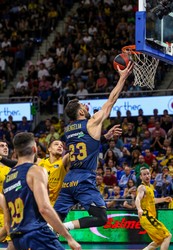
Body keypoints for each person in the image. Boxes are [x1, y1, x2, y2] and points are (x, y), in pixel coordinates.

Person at [54, 62, 133, 231]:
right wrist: (122, 78)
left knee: (53, 222)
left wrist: (104, 137)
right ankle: (65, 227)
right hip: (84, 178)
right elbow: (111, 101)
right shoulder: (92, 122)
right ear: (81, 113)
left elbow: (86, 143)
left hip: (69, 181)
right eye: (83, 106)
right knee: (100, 217)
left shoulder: (68, 130)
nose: (86, 107)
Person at [3, 132, 82, 250]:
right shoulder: (36, 170)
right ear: (35, 149)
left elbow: (8, 219)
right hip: (38, 235)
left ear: (16, 151)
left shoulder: (8, 179)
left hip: (19, 240)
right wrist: (68, 237)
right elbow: (44, 208)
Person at [135, 167, 172, 250]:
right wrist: (139, 209)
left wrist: (164, 199)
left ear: (150, 175)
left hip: (150, 217)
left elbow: (152, 201)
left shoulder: (150, 187)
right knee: (168, 235)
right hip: (147, 216)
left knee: (159, 240)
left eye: (148, 174)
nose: (147, 176)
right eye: (144, 174)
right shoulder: (142, 187)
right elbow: (138, 198)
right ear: (141, 177)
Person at [0, 141, 16, 250]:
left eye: (6, 146)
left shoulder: (13, 169)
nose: (5, 147)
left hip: (10, 211)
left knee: (13, 243)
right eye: (1, 146)